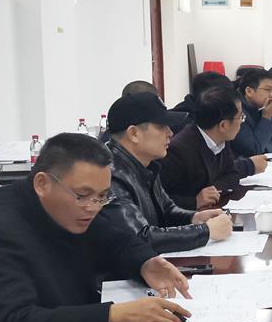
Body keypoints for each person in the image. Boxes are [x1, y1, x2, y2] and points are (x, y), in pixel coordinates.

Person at [0, 133, 192, 322]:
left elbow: (117, 241)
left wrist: (147, 263)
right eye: (82, 195)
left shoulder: (69, 209)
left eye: (102, 196)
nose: (93, 207)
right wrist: (114, 314)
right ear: (42, 184)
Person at [93, 92, 233, 253]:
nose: (170, 133)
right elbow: (139, 237)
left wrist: (194, 218)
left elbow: (166, 210)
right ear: (134, 134)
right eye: (162, 126)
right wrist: (205, 231)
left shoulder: (147, 165)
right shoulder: (110, 175)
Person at [161, 86, 246, 210]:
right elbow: (159, 197)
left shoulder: (221, 138)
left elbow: (232, 174)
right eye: (240, 117)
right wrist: (194, 201)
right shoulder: (178, 150)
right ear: (223, 125)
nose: (242, 122)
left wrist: (213, 190)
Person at [231, 69, 272, 158]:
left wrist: (262, 147)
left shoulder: (260, 108)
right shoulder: (236, 111)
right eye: (268, 89)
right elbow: (253, 150)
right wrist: (267, 117)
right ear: (249, 91)